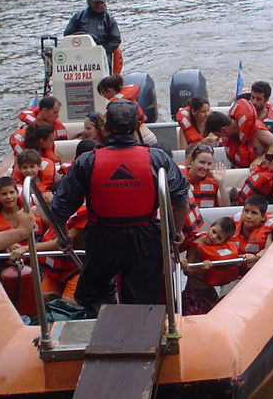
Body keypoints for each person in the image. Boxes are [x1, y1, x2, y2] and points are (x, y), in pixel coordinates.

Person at [50, 100, 190, 318]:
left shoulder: (87, 161)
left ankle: (99, 321)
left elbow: (60, 207)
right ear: (136, 127)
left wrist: (63, 235)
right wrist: (177, 231)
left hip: (102, 239)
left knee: (92, 294)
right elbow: (181, 200)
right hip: (144, 240)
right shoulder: (157, 158)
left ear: (105, 127)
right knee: (142, 298)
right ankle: (139, 334)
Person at [180, 217, 238, 315]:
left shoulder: (221, 247)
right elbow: (187, 271)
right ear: (210, 226)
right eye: (213, 231)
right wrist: (200, 270)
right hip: (193, 293)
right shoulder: (196, 245)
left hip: (210, 292)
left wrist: (246, 256)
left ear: (224, 241)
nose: (213, 237)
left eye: (219, 238)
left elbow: (232, 259)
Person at [204, 99, 273, 168]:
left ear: (224, 130)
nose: (218, 137)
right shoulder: (231, 134)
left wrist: (260, 159)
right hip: (238, 169)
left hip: (258, 172)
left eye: (217, 135)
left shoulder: (256, 131)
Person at [64, 0, 121, 72]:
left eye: (101, 3)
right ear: (90, 2)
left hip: (102, 53)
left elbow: (116, 40)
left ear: (104, 3)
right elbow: (67, 35)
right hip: (80, 52)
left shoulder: (109, 19)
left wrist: (101, 50)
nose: (98, 5)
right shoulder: (78, 16)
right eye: (96, 2)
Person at [97, 74, 157, 146]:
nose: (104, 96)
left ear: (109, 90)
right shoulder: (125, 100)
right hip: (147, 134)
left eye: (104, 93)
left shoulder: (118, 105)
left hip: (142, 139)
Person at [181, 143, 230, 208]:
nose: (205, 167)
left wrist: (221, 184)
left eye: (209, 164)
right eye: (202, 162)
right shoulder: (179, 177)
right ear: (192, 161)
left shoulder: (214, 179)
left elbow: (225, 207)